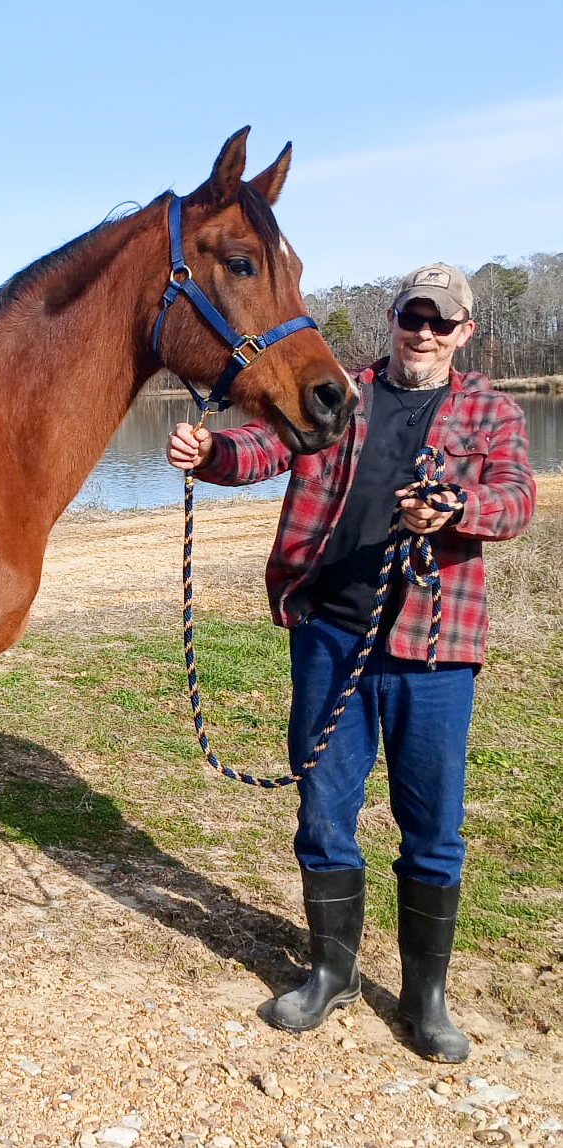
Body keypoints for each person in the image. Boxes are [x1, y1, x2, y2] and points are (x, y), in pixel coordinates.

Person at [166, 263, 535, 1062]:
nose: (425, 334)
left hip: (433, 648)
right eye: (414, 317)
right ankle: (330, 973)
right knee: (324, 816)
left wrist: (455, 509)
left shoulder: (491, 410)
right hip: (329, 634)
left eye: (442, 322)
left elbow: (516, 498)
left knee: (431, 829)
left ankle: (425, 999)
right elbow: (265, 445)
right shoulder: (340, 392)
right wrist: (211, 452)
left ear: (464, 332)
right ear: (395, 320)